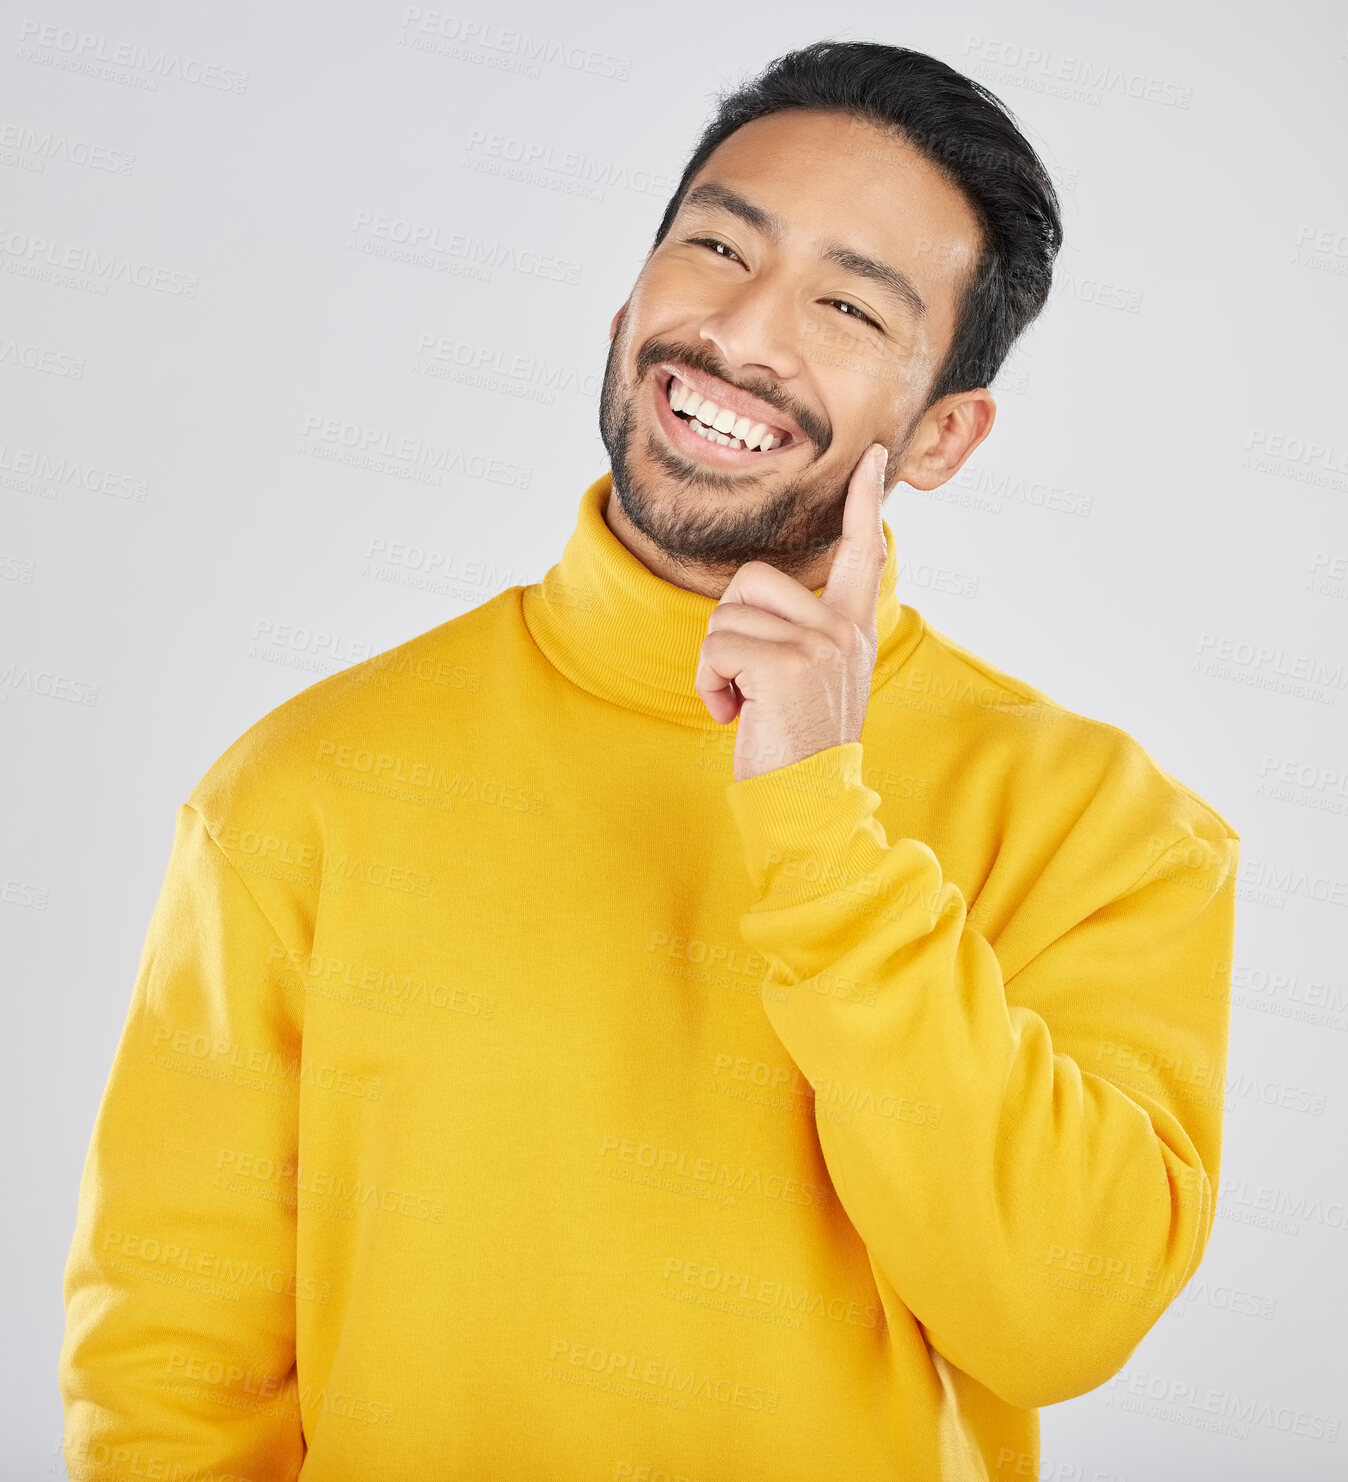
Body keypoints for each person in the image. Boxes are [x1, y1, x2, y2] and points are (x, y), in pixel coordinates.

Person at [59, 39, 1239, 1481]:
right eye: (717, 247)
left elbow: (1063, 1308)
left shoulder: (1106, 826)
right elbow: (174, 1364)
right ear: (632, 292)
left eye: (848, 305)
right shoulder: (303, 786)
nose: (744, 334)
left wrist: (820, 823)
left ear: (942, 435)